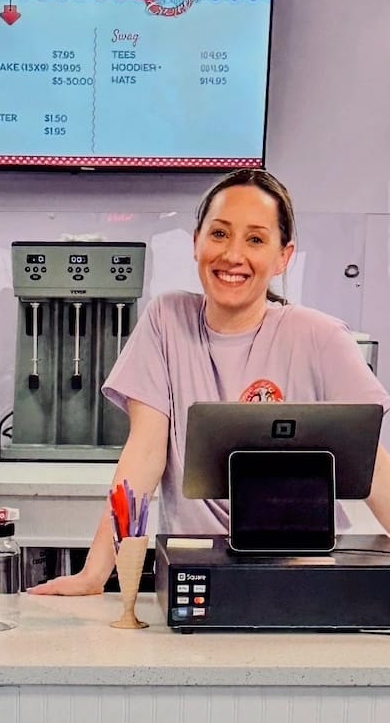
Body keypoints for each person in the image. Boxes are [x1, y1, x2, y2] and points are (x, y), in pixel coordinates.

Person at [29, 168, 390, 595]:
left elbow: (371, 463)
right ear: (196, 240)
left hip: (304, 573)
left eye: (255, 239)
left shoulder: (321, 336)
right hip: (199, 572)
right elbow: (143, 456)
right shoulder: (166, 320)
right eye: (219, 234)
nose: (233, 255)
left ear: (283, 256)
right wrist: (94, 574)